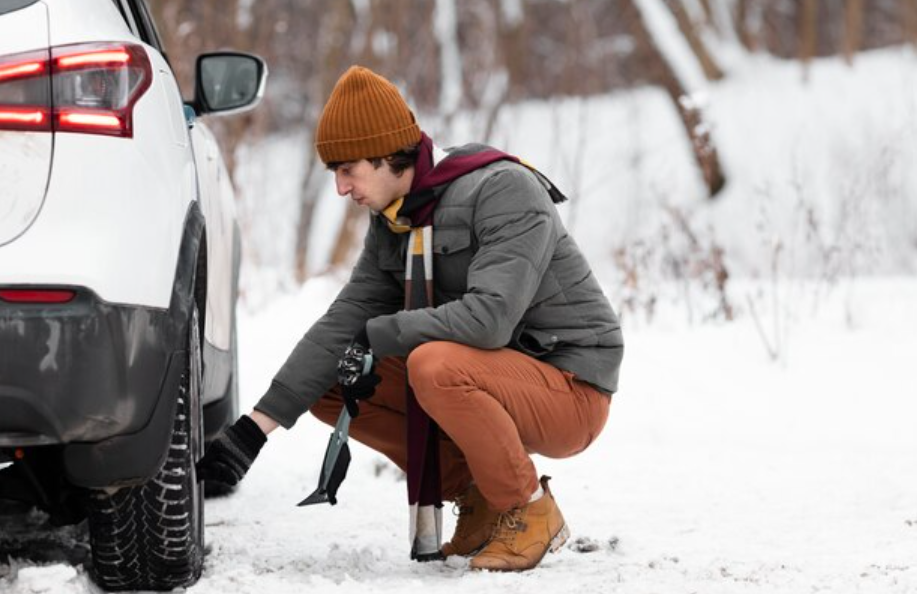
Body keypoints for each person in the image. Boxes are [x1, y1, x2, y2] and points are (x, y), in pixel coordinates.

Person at [198, 65, 624, 572]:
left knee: (433, 364)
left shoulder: (503, 190)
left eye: (347, 169)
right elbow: (345, 322)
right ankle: (480, 496)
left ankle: (528, 509)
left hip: (570, 387)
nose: (340, 188)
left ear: (385, 155)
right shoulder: (396, 219)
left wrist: (383, 333)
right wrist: (254, 430)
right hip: (493, 374)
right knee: (338, 381)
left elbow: (490, 320)